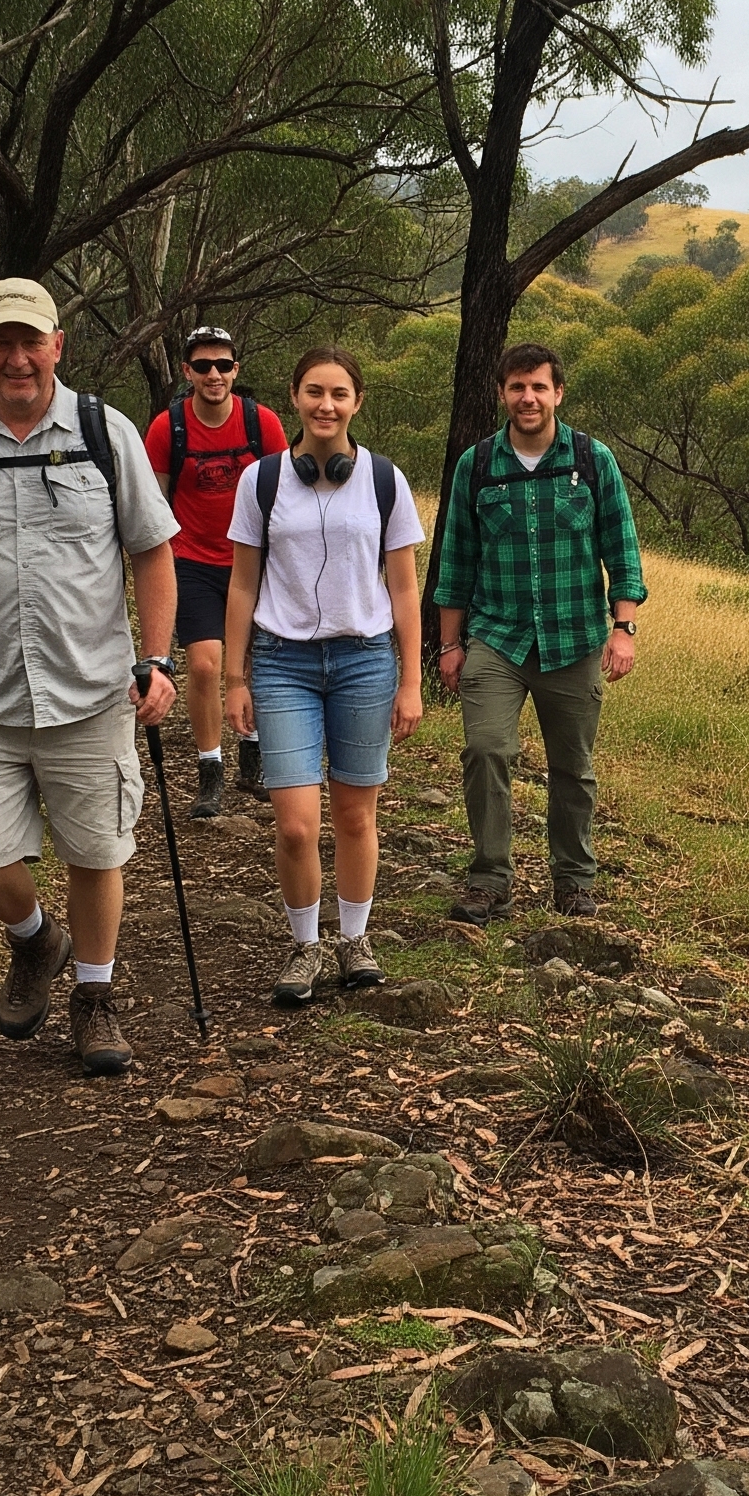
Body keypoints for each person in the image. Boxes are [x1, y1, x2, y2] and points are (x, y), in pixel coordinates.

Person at [0, 278, 180, 1076]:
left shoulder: (105, 431)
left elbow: (152, 548)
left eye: (32, 340)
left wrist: (157, 658)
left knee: (97, 853)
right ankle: (36, 940)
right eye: (2, 341)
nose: (18, 357)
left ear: (58, 345)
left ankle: (94, 998)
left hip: (91, 688)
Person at [221, 348, 425, 1006]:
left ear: (357, 402)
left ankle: (355, 940)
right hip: (284, 663)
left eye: (339, 393)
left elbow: (403, 589)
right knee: (295, 824)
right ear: (294, 396)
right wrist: (235, 675)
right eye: (314, 391)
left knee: (356, 816)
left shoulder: (384, 482)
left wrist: (411, 680)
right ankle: (306, 944)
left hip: (365, 660)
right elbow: (242, 582)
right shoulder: (262, 481)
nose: (326, 405)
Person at [433, 341, 646, 921]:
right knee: (486, 749)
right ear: (501, 392)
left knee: (572, 767)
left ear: (558, 393)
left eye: (538, 387)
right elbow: (455, 562)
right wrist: (450, 646)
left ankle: (574, 880)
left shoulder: (591, 460)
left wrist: (622, 628)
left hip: (574, 639)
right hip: (496, 638)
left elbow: (621, 553)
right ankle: (489, 878)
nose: (528, 397)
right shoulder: (476, 466)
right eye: (516, 387)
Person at [142, 326, 287, 815]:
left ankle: (254, 753)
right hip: (192, 560)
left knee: (250, 663)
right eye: (202, 366)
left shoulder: (261, 424)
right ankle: (211, 769)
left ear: (235, 371)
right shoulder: (168, 428)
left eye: (223, 365)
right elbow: (152, 502)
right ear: (187, 372)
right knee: (204, 665)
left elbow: (282, 492)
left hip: (254, 561)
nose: (213, 374)